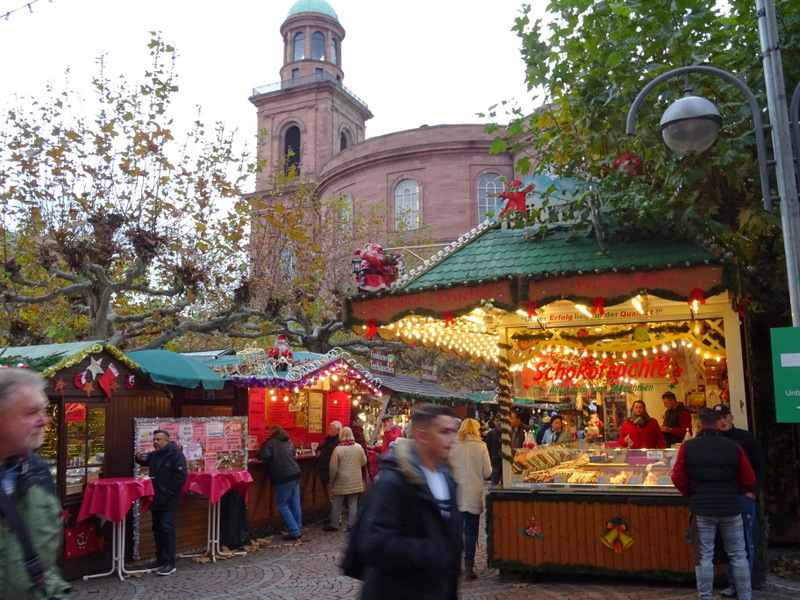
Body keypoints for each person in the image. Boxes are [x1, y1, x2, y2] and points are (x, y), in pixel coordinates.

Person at [356, 403, 462, 599]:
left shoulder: (448, 478)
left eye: (453, 432)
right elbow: (374, 544)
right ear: (423, 436)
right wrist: (433, 551)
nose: (452, 439)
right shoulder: (394, 481)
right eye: (445, 432)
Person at [0, 368, 72, 599]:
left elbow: (43, 566)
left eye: (43, 409)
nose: (45, 420)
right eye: (31, 412)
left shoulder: (37, 470)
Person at [671, 408, 755, 600]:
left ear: (698, 425)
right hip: (730, 508)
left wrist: (691, 493)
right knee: (738, 555)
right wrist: (734, 493)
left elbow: (678, 477)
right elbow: (749, 478)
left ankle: (706, 597)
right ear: (716, 423)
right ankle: (746, 596)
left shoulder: (688, 447)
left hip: (702, 509)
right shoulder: (733, 446)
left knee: (704, 557)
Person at [714, 403, 768, 597]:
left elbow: (760, 466)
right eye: (718, 418)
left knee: (746, 541)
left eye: (724, 416)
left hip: (744, 497)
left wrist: (753, 492)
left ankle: (744, 584)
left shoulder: (746, 438)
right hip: (724, 497)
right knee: (727, 542)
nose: (721, 421)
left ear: (731, 417)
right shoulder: (714, 440)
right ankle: (733, 583)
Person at [135, 429, 187, 576]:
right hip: (156, 498)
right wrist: (138, 456)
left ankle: (170, 563)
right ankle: (160, 559)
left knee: (166, 528)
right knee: (157, 528)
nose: (155, 442)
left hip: (169, 500)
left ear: (166, 440)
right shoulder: (156, 455)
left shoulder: (176, 455)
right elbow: (143, 459)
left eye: (158, 439)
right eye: (154, 439)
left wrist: (168, 493)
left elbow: (180, 477)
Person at [449, 418, 492, 580]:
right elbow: (487, 472)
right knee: (471, 531)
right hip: (474, 492)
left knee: (457, 531)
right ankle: (469, 567)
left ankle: (456, 565)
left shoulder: (453, 446)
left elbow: (448, 469)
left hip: (457, 493)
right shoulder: (480, 446)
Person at [258, 425, 303, 541]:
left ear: (272, 432)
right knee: (295, 504)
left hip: (283, 476)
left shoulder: (270, 442)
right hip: (295, 473)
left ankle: (294, 531)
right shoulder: (288, 440)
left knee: (282, 505)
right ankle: (298, 528)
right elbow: (293, 453)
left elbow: (263, 456)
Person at [325, 427, 367, 532]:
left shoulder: (338, 449)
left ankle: (334, 524)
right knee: (353, 503)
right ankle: (351, 524)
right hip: (355, 479)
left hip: (341, 480)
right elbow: (364, 461)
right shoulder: (358, 447)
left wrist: (332, 479)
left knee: (337, 503)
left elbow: (333, 467)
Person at [316, 420, 342, 503]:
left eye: (331, 429)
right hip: (325, 470)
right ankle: (335, 512)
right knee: (329, 494)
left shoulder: (339, 441)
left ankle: (337, 514)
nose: (329, 430)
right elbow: (324, 447)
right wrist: (319, 448)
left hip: (332, 472)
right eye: (329, 429)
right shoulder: (329, 438)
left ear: (338, 430)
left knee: (333, 495)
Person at [484, 417, 503, 486]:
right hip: (505, 458)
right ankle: (502, 493)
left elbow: (487, 445)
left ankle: (493, 493)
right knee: (504, 478)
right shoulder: (508, 432)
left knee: (495, 477)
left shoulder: (491, 432)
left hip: (494, 457)